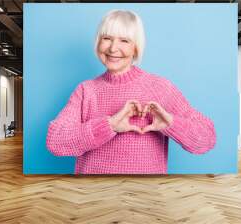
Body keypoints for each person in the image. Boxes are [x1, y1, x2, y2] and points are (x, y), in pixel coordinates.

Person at [46, 10, 216, 174]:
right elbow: (55, 141)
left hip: (144, 196)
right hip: (93, 195)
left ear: (136, 48)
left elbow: (206, 139)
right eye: (107, 38)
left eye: (124, 41)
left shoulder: (159, 87)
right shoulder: (86, 90)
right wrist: (109, 126)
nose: (113, 48)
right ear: (98, 42)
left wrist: (171, 124)